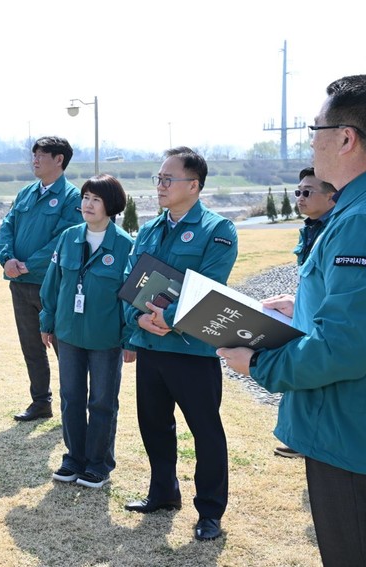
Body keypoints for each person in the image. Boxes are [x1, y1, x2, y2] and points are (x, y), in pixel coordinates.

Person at [219, 74, 366, 566]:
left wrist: (257, 363)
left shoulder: (364, 221)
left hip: (360, 443)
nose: (310, 139)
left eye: (315, 128)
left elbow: (342, 348)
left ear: (347, 138)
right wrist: (304, 302)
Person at [122, 146, 238, 542]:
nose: (160, 185)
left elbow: (207, 287)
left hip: (191, 350)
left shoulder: (218, 230)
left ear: (194, 184)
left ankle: (209, 511)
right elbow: (130, 281)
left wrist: (166, 320)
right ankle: (163, 492)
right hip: (151, 348)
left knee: (205, 431)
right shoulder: (151, 229)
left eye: (168, 179)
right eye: (158, 178)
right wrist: (136, 319)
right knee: (154, 425)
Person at [38, 174, 136, 488]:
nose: (87, 204)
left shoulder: (125, 245)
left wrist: (130, 338)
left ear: (112, 205)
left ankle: (98, 464)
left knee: (103, 402)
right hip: (67, 335)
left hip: (106, 338)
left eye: (95, 199)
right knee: (70, 398)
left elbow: (131, 297)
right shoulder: (68, 238)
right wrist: (47, 322)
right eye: (85, 198)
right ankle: (73, 459)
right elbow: (52, 284)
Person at [0, 136, 83, 421]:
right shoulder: (26, 193)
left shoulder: (72, 198)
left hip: (51, 284)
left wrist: (25, 265)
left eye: (41, 155)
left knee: (64, 348)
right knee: (31, 346)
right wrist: (6, 258)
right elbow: (7, 226)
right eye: (33, 154)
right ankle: (40, 402)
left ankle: (74, 407)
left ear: (59, 159)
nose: (34, 159)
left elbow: (63, 239)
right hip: (20, 284)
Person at [272, 166, 336, 459]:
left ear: (331, 196)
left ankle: (310, 441)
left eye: (307, 192)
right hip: (307, 314)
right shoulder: (311, 227)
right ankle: (300, 438)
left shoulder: (337, 229)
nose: (299, 197)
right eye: (297, 191)